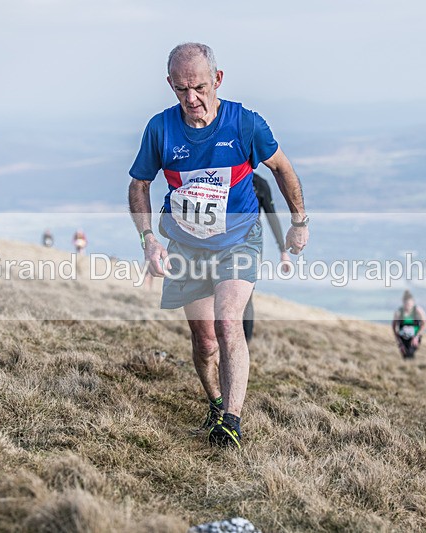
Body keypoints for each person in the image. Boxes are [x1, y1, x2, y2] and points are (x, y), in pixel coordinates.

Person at [128, 43, 309, 448]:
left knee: (228, 324)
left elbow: (282, 169)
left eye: (200, 88)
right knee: (205, 340)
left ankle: (231, 421)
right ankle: (214, 402)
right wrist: (148, 239)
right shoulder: (160, 129)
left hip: (239, 240)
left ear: (218, 80)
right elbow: (139, 184)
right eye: (181, 89)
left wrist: (299, 222)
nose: (191, 98)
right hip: (187, 246)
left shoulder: (245, 124)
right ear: (170, 85)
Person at [243, 173, 292, 343]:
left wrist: (283, 251)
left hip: (251, 244)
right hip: (223, 242)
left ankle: (245, 345)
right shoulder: (225, 176)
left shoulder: (259, 184)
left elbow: (272, 217)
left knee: (246, 295)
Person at [392, 290, 426, 359]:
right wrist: (400, 343)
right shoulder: (399, 312)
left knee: (410, 353)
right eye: (406, 304)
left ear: (413, 302)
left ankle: (412, 364)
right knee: (405, 354)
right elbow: (394, 327)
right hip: (403, 337)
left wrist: (417, 336)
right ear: (403, 303)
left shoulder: (418, 310)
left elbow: (424, 324)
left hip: (414, 336)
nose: (408, 306)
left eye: (410, 304)